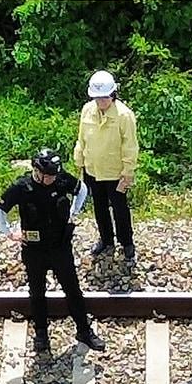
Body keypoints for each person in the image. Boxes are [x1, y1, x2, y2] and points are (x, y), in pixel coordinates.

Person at [0, 149, 105, 353]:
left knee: (73, 290)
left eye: (54, 175)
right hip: (34, 249)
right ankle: (41, 334)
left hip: (60, 246)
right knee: (37, 292)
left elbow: (82, 189)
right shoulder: (21, 187)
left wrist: (74, 212)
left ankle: (84, 331)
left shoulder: (61, 179)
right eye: (49, 175)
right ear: (37, 172)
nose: (53, 179)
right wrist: (9, 233)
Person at [73, 70, 139, 261]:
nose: (101, 101)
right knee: (99, 207)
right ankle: (106, 239)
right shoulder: (87, 110)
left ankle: (126, 242)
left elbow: (130, 146)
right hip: (92, 169)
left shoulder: (124, 115)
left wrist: (128, 172)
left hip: (115, 172)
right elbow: (82, 138)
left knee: (120, 208)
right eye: (97, 98)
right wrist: (79, 161)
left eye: (104, 97)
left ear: (112, 94)